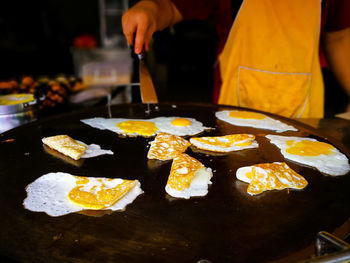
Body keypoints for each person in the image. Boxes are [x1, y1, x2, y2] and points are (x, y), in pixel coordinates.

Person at [122, 0, 350, 118]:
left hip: (304, 114)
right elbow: (172, 6)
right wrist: (150, 8)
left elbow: (338, 38)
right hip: (234, 110)